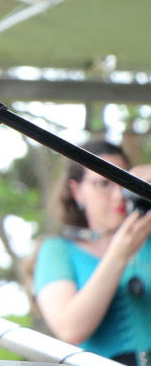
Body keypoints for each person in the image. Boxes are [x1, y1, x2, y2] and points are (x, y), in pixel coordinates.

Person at [33, 141, 151, 365]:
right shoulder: (58, 249)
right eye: (104, 184)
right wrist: (118, 255)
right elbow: (70, 329)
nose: (119, 196)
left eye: (124, 183)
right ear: (76, 191)